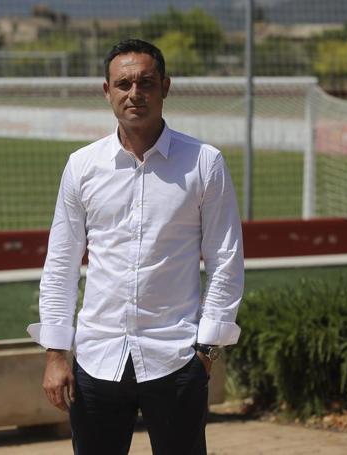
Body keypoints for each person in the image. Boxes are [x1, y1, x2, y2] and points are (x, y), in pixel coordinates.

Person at [27, 38, 244, 455]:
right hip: (96, 358)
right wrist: (56, 353)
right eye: (123, 83)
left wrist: (207, 350)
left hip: (177, 357)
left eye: (145, 82)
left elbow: (225, 260)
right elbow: (60, 264)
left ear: (165, 86)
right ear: (107, 91)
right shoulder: (83, 165)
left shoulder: (204, 162)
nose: (134, 93)